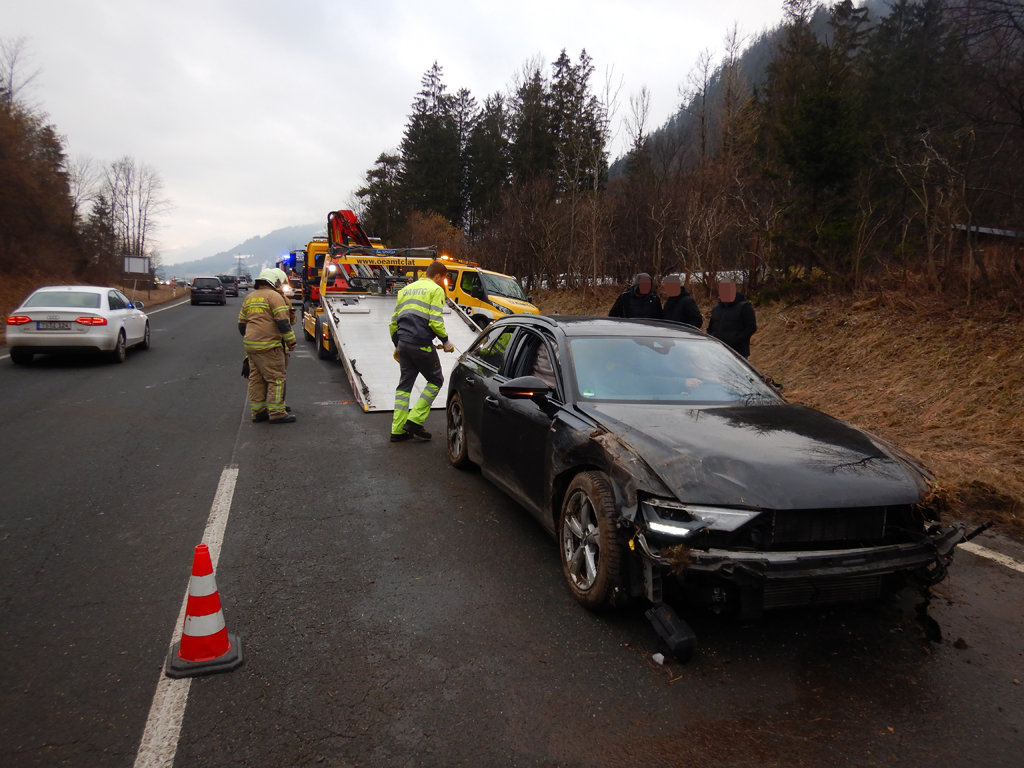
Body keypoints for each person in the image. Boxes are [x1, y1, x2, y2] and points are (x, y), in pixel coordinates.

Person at [388, 260, 454, 442]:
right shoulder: (435, 290)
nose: (443, 283)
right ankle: (415, 420)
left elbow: (393, 323)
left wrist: (397, 345)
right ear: (439, 276)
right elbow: (434, 321)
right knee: (436, 380)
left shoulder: (405, 290)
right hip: (421, 344)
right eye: (443, 279)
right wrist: (446, 342)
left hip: (403, 343)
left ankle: (398, 430)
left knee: (404, 386)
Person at [239, 268, 297, 423]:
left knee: (256, 379)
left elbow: (241, 326)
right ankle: (277, 412)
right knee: (276, 378)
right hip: (270, 345)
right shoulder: (275, 297)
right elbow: (284, 323)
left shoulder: (249, 297)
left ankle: (258, 412)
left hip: (251, 346)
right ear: (276, 282)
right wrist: (291, 341)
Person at [707, 281, 757, 358]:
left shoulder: (744, 307)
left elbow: (751, 327)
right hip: (718, 351)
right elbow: (710, 328)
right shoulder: (716, 308)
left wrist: (736, 340)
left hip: (738, 352)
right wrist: (713, 338)